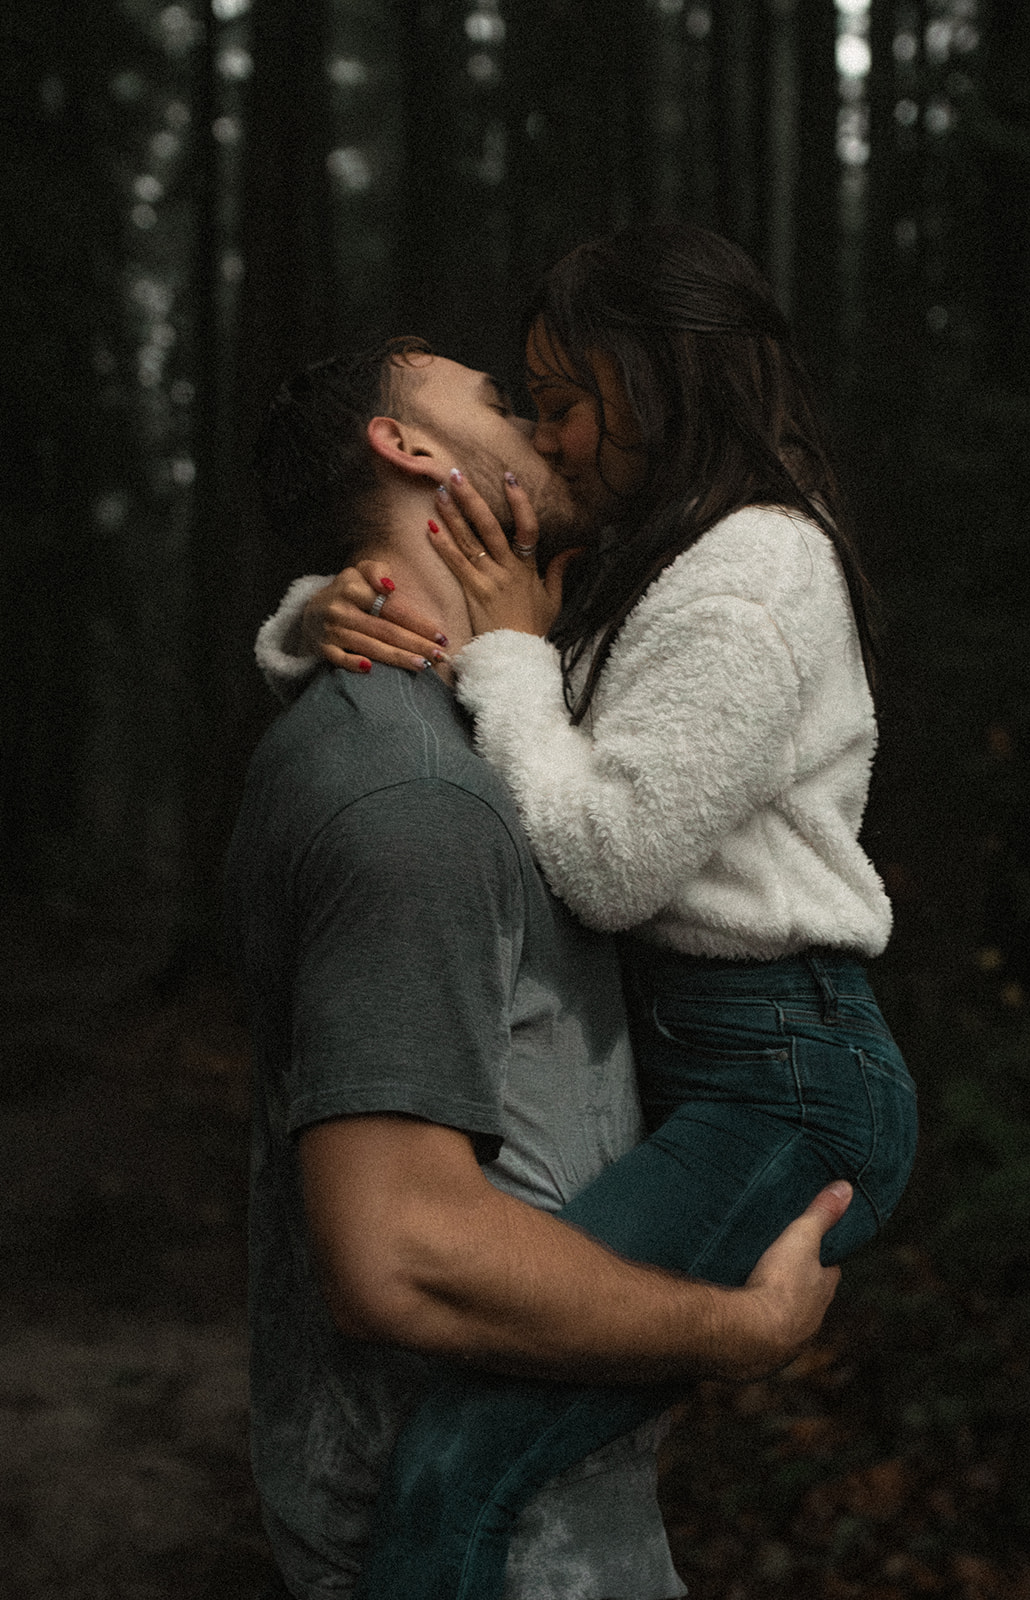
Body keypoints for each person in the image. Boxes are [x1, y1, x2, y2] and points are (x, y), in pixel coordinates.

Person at [257, 225, 918, 1600]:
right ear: (413, 450)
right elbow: (508, 713)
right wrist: (318, 612)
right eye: (518, 403)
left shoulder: (744, 579)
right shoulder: (650, 560)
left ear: (647, 380)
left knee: (463, 1463)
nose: (544, 437)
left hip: (779, 1077)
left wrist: (502, 650)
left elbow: (601, 846)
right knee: (497, 1447)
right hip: (724, 1054)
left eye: (555, 401)